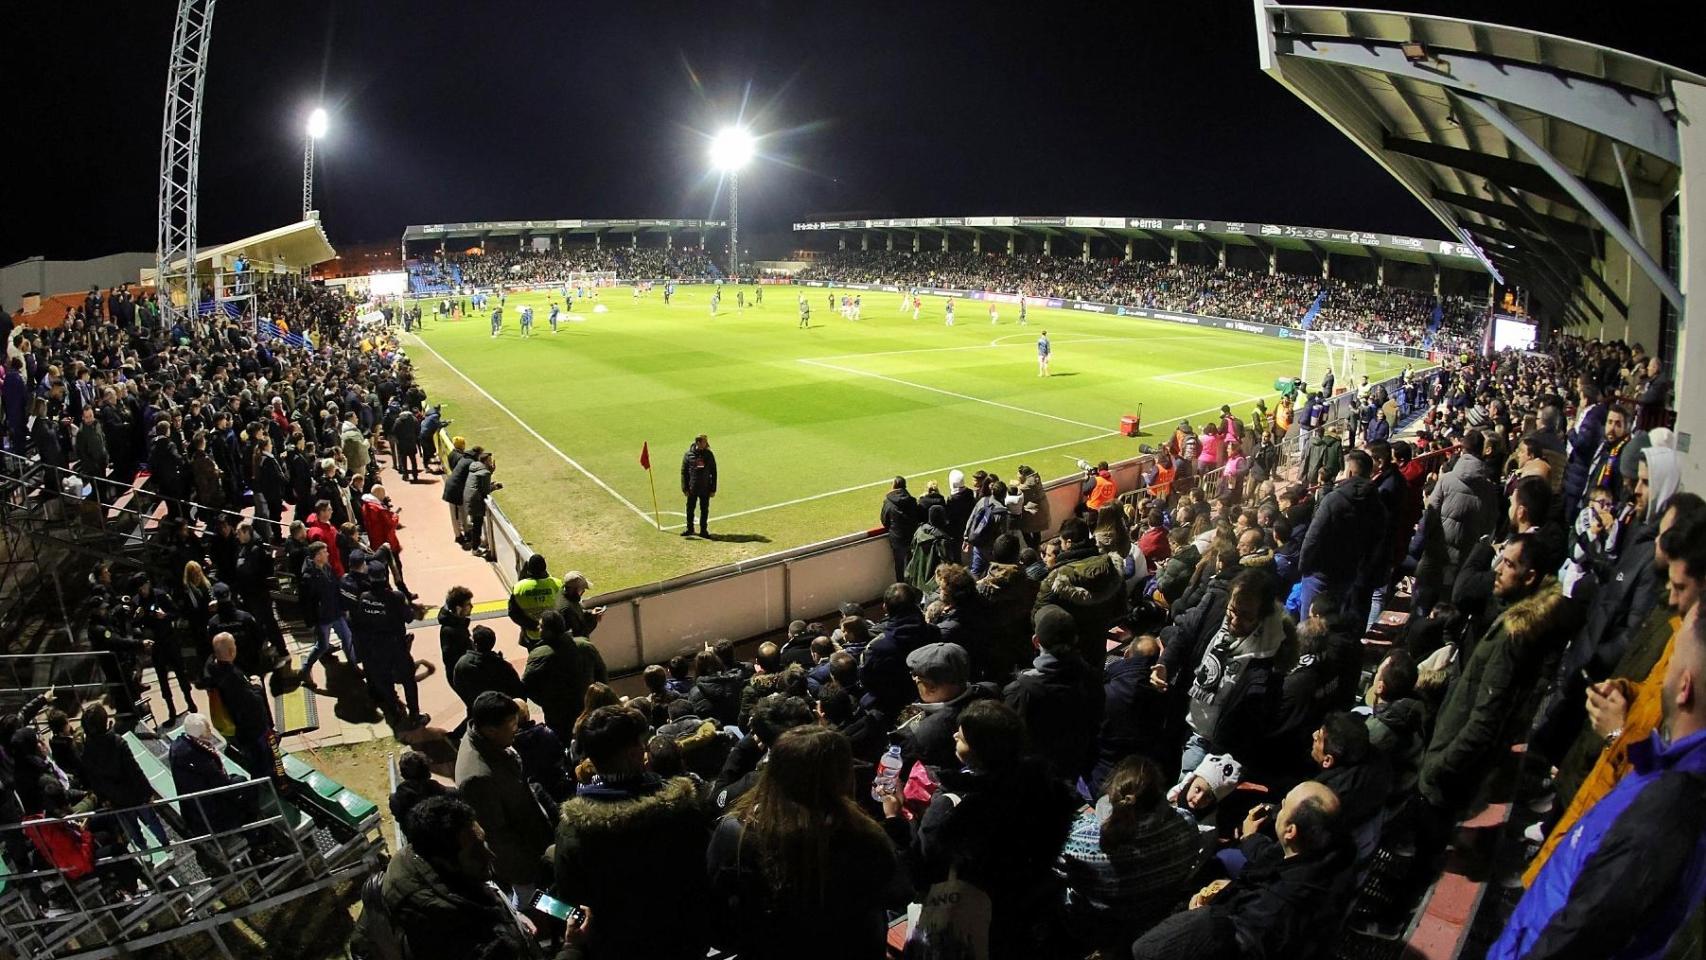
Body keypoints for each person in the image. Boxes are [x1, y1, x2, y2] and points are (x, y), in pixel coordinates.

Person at [1489, 612, 1706, 960]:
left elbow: (1581, 933)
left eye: (1674, 654)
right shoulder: (1668, 772)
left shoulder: (1664, 810)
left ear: (1684, 686)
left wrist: (1618, 737)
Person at [879, 700, 1078, 960]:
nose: (953, 736)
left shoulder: (953, 808)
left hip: (972, 918)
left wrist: (894, 819)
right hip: (1023, 907)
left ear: (978, 749)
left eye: (960, 736)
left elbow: (920, 875)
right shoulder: (1045, 787)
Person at [1418, 534, 1572, 839]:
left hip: (1450, 766)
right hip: (1458, 755)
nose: (1498, 569)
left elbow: (1484, 721)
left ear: (1529, 577)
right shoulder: (1522, 619)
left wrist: (1440, 764)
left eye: (1509, 563)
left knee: (1429, 836)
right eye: (1500, 559)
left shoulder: (1514, 635)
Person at [707, 726, 897, 959]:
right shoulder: (865, 835)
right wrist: (895, 822)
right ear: (844, 777)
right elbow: (898, 893)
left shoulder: (735, 833)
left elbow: (717, 920)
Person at [553, 706, 712, 960]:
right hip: (682, 939)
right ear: (635, 753)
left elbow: (569, 904)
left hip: (616, 948)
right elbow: (703, 875)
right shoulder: (681, 810)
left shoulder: (573, 830)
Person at [1131, 781, 1351, 960]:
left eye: (1284, 806)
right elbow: (1275, 859)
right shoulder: (1325, 851)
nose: (1278, 807)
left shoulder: (1271, 911)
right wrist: (1250, 839)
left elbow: (1230, 942)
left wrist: (1200, 913)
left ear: (1290, 831)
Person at [1055, 756, 1202, 954]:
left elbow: (1054, 867)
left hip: (1095, 926)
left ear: (1111, 795)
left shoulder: (1079, 838)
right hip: (1154, 919)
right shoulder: (1187, 825)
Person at [381, 794, 556, 960]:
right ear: (444, 861)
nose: (490, 855)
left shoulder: (417, 856)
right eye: (476, 852)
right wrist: (572, 947)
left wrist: (512, 917)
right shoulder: (465, 939)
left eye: (483, 842)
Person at [455, 693, 554, 901]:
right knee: (534, 902)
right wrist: (525, 871)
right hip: (522, 862)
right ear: (491, 729)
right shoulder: (477, 777)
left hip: (530, 839)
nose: (516, 729)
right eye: (511, 725)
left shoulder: (488, 742)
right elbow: (497, 836)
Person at [1004, 604, 1104, 785]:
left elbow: (1011, 738)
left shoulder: (1023, 689)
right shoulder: (1091, 675)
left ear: (1036, 641)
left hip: (1037, 774)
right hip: (1075, 761)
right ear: (1075, 639)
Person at [1298, 448, 1386, 620]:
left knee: (1309, 625)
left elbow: (1312, 537)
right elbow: (1376, 543)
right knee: (1335, 620)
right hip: (1349, 574)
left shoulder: (1333, 500)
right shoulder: (1377, 504)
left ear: (1350, 472)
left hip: (1320, 574)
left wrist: (1303, 567)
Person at [859, 582, 942, 716]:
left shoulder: (877, 648)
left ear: (885, 607)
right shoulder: (934, 632)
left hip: (893, 706)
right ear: (915, 603)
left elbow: (867, 681)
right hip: (932, 696)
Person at [522, 611, 608, 735]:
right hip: (587, 707)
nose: (538, 628)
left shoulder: (539, 654)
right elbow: (602, 675)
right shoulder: (585, 646)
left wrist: (547, 702)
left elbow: (528, 686)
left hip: (557, 714)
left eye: (541, 626)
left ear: (549, 631)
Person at [453, 625, 526, 707]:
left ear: (475, 643)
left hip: (476, 707)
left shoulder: (462, 663)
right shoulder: (503, 666)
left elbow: (458, 685)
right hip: (500, 708)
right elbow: (517, 689)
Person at [507, 553, 562, 649]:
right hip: (555, 634)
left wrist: (534, 626)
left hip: (532, 637)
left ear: (529, 569)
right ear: (545, 567)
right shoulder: (557, 583)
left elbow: (513, 613)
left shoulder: (519, 587)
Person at [388, 749, 452, 825]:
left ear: (403, 775)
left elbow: (399, 818)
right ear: (428, 773)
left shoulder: (396, 800)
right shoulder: (441, 793)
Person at [881, 476, 922, 584]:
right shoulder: (912, 501)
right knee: (912, 564)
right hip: (912, 537)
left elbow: (884, 521)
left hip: (897, 539)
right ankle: (913, 587)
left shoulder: (888, 502)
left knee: (899, 565)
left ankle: (902, 589)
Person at [680, 434, 717, 538]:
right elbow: (684, 472)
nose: (706, 444)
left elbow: (714, 472)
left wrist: (713, 488)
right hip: (692, 488)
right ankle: (690, 529)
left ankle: (703, 531)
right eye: (704, 442)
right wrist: (685, 488)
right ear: (698, 443)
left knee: (704, 510)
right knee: (690, 509)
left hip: (705, 488)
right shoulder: (688, 455)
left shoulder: (709, 455)